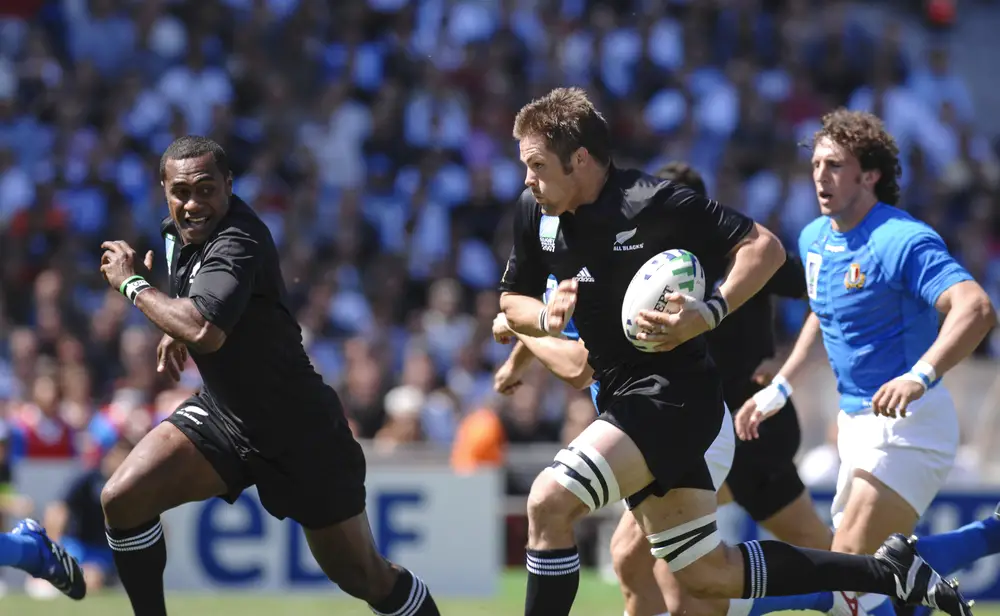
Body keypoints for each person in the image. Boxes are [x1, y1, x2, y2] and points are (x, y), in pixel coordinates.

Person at [497, 87, 969, 616]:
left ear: (579, 160)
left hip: (677, 399)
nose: (528, 179)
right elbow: (510, 299)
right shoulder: (534, 213)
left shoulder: (654, 203)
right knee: (706, 576)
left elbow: (764, 250)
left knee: (548, 501)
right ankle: (888, 572)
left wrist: (714, 311)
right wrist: (541, 320)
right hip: (639, 405)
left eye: (537, 165)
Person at [97, 135, 440, 616]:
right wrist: (172, 324)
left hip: (297, 429)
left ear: (229, 185)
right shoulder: (176, 234)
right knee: (123, 498)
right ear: (163, 189)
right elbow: (198, 310)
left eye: (206, 189)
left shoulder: (240, 238)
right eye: (181, 192)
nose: (193, 204)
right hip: (224, 414)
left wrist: (133, 286)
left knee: (366, 577)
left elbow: (205, 329)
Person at [493, 161, 854, 616]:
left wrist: (785, 374)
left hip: (741, 426)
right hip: (695, 426)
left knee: (704, 571)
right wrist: (519, 355)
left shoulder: (724, 255)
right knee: (666, 568)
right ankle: (872, 587)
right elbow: (567, 321)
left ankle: (876, 590)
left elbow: (825, 295)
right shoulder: (637, 271)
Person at [735, 109, 998, 616]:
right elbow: (823, 313)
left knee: (847, 564)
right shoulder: (815, 239)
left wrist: (920, 375)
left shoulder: (901, 239)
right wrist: (783, 385)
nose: (820, 176)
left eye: (834, 165)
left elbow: (976, 308)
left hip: (910, 425)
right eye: (815, 165)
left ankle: (985, 538)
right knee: (864, 586)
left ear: (870, 174)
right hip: (855, 423)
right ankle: (926, 585)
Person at [42, 438, 134, 592]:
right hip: (78, 545)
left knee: (92, 578)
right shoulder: (87, 479)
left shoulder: (132, 485)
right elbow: (58, 510)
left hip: (106, 551)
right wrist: (52, 547)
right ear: (108, 456)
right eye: (120, 457)